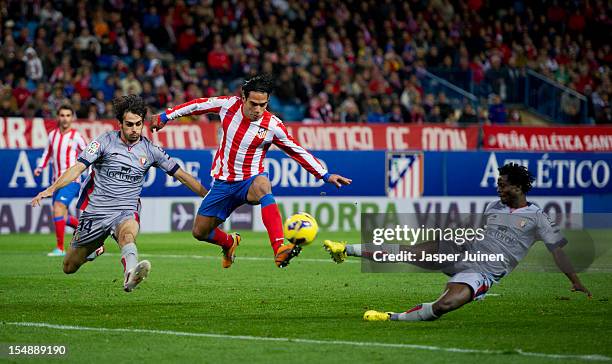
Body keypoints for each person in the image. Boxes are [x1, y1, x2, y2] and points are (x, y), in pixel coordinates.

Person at [324, 163, 591, 321]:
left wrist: (575, 281)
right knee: (407, 253)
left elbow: (557, 252)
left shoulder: (538, 218)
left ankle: (393, 318)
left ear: (519, 188)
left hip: (482, 271)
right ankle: (346, 249)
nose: (499, 189)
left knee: (445, 305)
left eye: (503, 185)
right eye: (498, 184)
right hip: (460, 251)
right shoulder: (493, 206)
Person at [149, 73, 352, 268]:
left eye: (262, 105)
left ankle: (279, 248)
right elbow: (198, 105)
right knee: (200, 232)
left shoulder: (272, 125)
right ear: (243, 97)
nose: (257, 109)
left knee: (264, 186)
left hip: (251, 181)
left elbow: (296, 150)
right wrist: (167, 115)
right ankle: (229, 243)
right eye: (253, 104)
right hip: (223, 183)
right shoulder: (228, 105)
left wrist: (324, 174)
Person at [31, 95, 208, 292]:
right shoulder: (104, 141)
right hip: (95, 212)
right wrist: (51, 189)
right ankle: (95, 250)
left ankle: (131, 274)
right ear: (120, 123)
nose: (134, 129)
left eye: (139, 124)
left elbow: (182, 175)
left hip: (126, 209)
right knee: (69, 267)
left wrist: (209, 197)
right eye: (129, 124)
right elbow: (77, 168)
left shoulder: (150, 150)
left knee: (128, 235)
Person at [34, 105, 87, 256]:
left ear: (72, 118)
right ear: (58, 117)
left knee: (58, 206)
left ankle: (60, 248)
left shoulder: (76, 136)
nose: (65, 118)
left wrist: (90, 174)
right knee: (60, 214)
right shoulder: (52, 135)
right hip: (56, 182)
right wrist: (39, 167)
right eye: (62, 115)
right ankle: (83, 228)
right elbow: (47, 153)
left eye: (68, 115)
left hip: (72, 180)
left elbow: (89, 155)